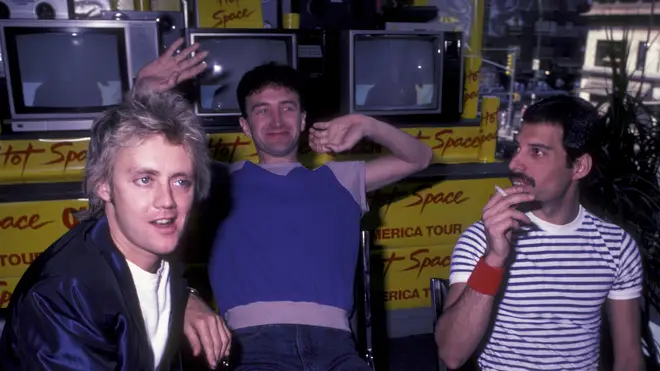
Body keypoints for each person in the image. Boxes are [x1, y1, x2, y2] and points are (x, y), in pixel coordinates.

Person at [182, 62, 434, 370]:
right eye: (262, 110)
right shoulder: (218, 181)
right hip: (252, 346)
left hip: (338, 348)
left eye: (287, 108)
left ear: (303, 120)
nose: (276, 120)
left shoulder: (341, 178)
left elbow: (420, 158)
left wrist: (367, 124)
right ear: (245, 125)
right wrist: (145, 89)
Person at [0, 38, 220, 371]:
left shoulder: (155, 255)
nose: (167, 202)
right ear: (103, 186)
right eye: (145, 180)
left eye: (180, 181)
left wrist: (185, 296)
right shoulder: (64, 294)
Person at [434, 95, 645, 371]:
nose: (514, 164)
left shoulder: (616, 246)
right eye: (517, 148)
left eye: (537, 152)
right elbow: (450, 355)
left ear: (579, 166)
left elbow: (629, 359)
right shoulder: (481, 239)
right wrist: (494, 260)